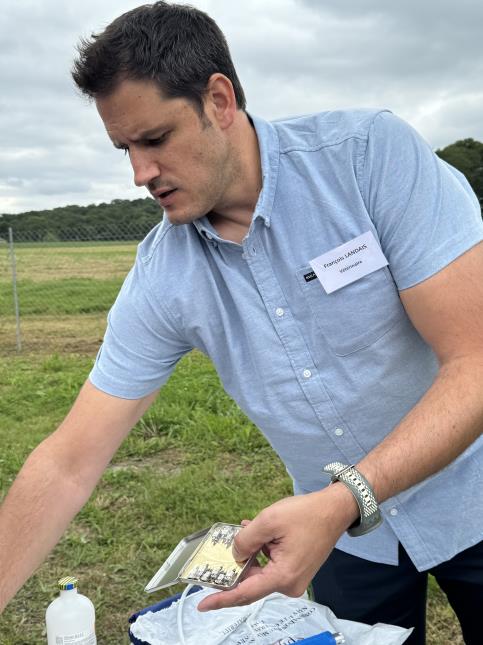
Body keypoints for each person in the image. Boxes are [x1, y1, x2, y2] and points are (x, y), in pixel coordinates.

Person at [1, 3, 483, 643]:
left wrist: (346, 499)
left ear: (219, 100)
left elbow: (474, 359)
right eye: (125, 149)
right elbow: (68, 462)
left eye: (155, 139)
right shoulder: (163, 276)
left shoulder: (366, 159)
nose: (140, 174)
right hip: (344, 539)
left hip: (467, 495)